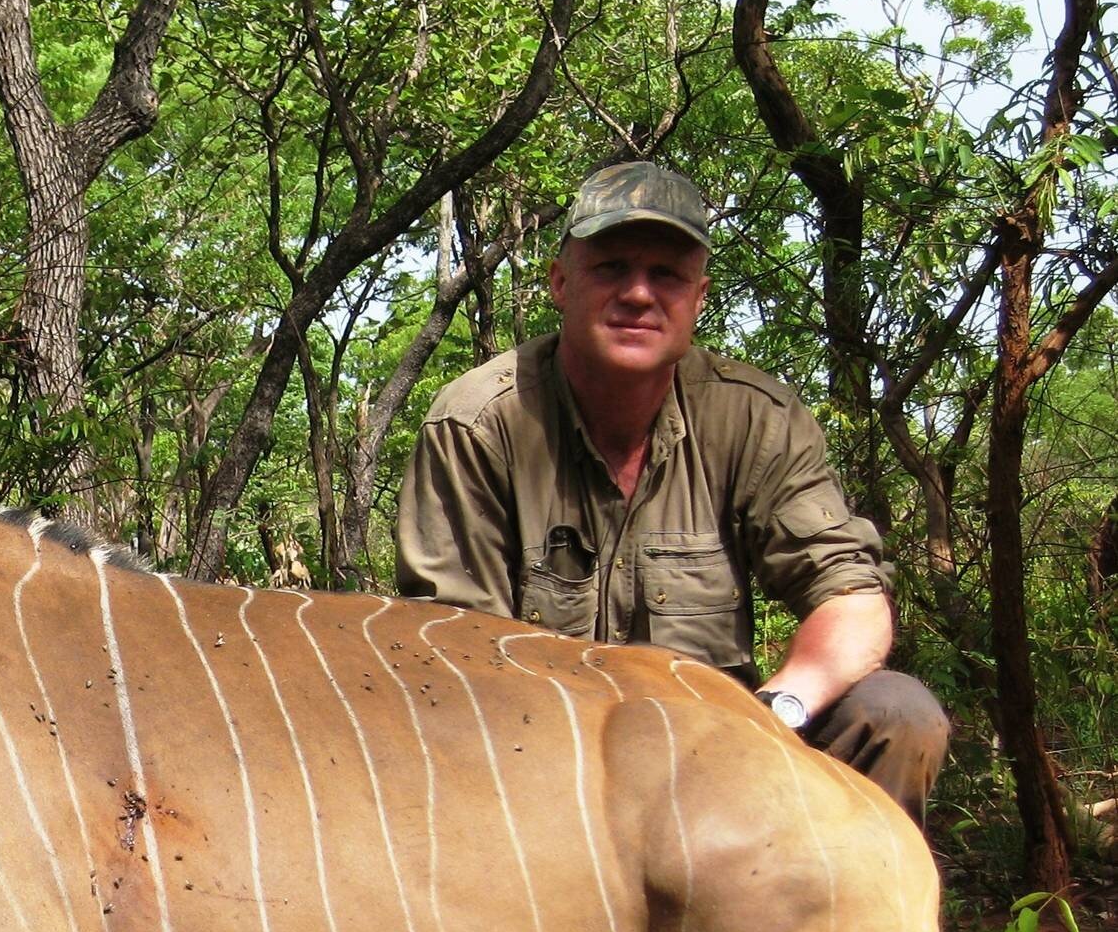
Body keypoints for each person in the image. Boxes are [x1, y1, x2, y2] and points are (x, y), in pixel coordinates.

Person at [395, 160, 947, 819]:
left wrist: (776, 712)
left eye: (665, 274)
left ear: (699, 297)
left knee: (898, 714)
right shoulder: (479, 422)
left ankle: (845, 922)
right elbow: (457, 659)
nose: (637, 293)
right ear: (560, 282)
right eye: (611, 268)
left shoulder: (755, 418)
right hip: (536, 768)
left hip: (722, 758)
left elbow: (852, 600)